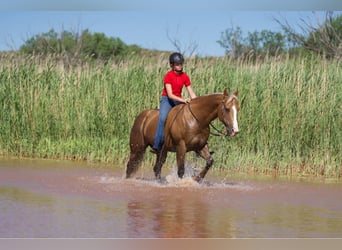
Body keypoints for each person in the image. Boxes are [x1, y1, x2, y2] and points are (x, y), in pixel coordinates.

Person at [151, 52, 197, 154]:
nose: (179, 66)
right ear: (172, 65)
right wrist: (184, 100)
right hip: (167, 99)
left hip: (179, 100)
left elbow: (191, 92)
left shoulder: (185, 76)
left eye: (181, 63)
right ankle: (157, 145)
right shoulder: (168, 76)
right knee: (163, 118)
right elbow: (170, 95)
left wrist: (196, 101)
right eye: (177, 64)